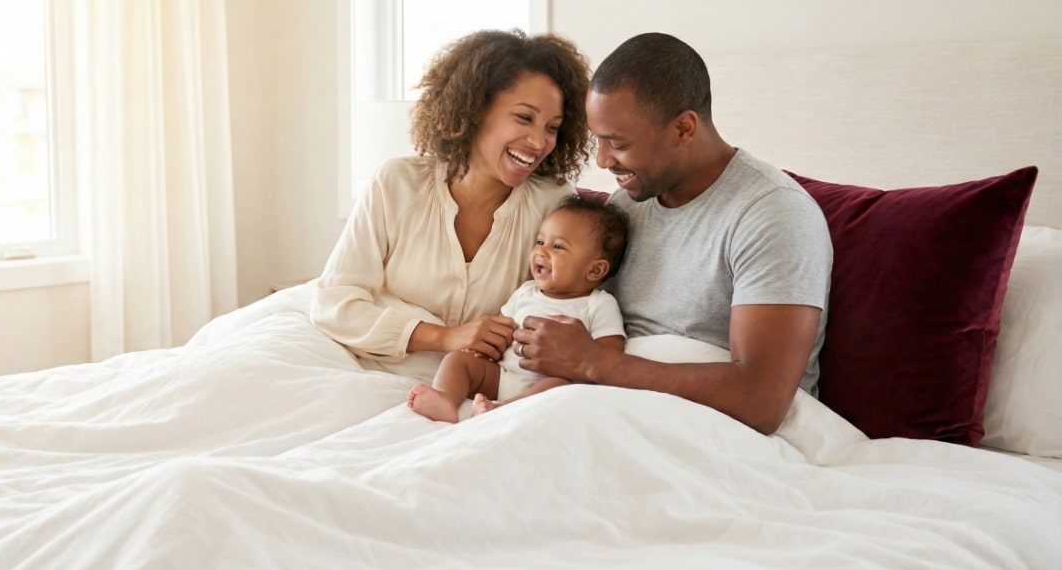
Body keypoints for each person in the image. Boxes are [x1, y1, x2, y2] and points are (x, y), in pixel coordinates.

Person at [511, 32, 833, 435]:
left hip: (725, 432)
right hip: (614, 409)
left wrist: (592, 362)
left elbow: (761, 400)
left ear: (683, 128)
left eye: (618, 143)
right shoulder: (627, 206)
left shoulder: (773, 214)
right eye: (599, 140)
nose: (603, 160)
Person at [311, 29, 592, 380]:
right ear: (475, 109)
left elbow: (567, 312)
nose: (539, 142)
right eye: (524, 118)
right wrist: (443, 336)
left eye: (552, 127)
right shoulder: (396, 183)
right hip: (363, 369)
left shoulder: (554, 204)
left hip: (474, 386)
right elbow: (334, 304)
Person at [407, 195, 629, 422]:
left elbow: (607, 357)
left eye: (558, 246)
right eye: (540, 242)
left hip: (546, 384)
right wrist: (484, 351)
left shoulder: (598, 304)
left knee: (559, 385)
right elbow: (501, 330)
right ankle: (445, 398)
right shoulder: (526, 291)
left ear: (594, 270)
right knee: (457, 359)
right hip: (502, 375)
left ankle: (502, 409)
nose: (541, 251)